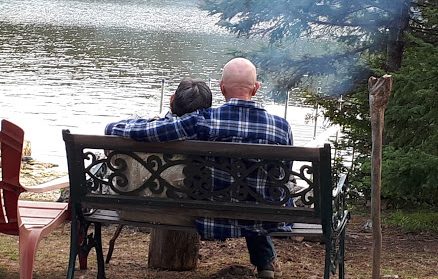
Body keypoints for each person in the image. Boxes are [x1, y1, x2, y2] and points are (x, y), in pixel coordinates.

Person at [105, 58, 293, 279]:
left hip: (214, 217)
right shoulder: (281, 127)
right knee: (254, 193)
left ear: (222, 89)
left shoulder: (203, 121)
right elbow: (284, 175)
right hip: (267, 217)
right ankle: (265, 264)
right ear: (256, 87)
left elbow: (152, 132)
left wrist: (113, 126)